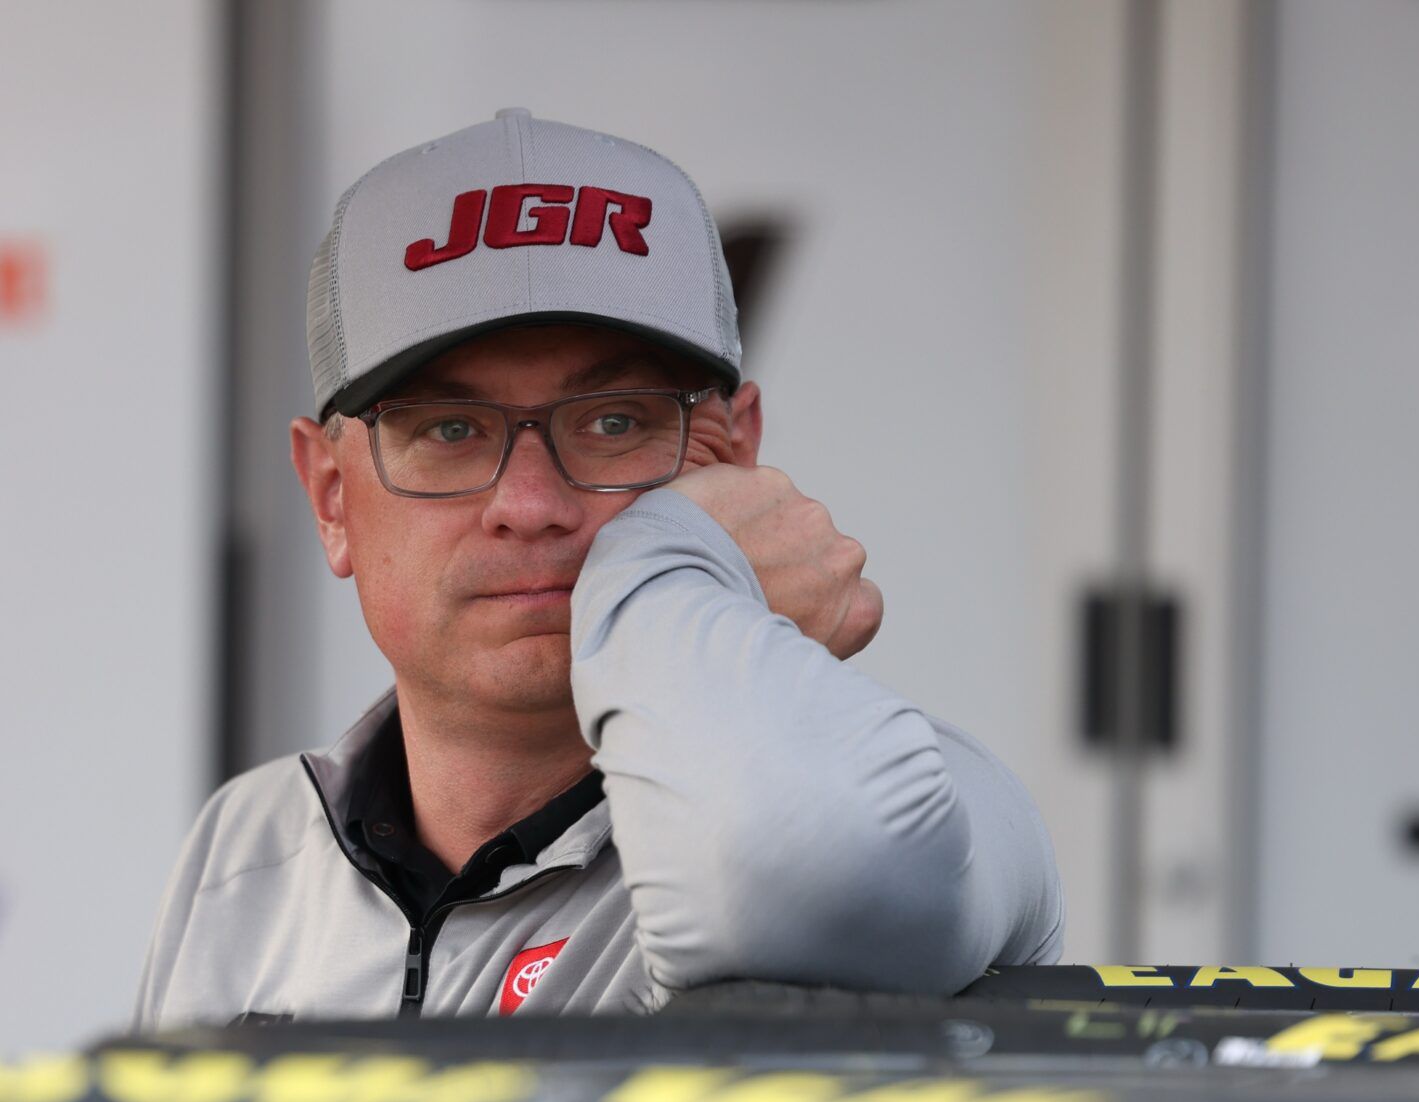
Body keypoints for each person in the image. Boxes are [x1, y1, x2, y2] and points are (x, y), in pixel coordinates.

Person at [134, 109, 1062, 1027]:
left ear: (733, 462)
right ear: (332, 497)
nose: (532, 505)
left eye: (615, 421)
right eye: (449, 430)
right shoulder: (245, 849)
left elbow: (802, 870)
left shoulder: (933, 793)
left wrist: (676, 560)